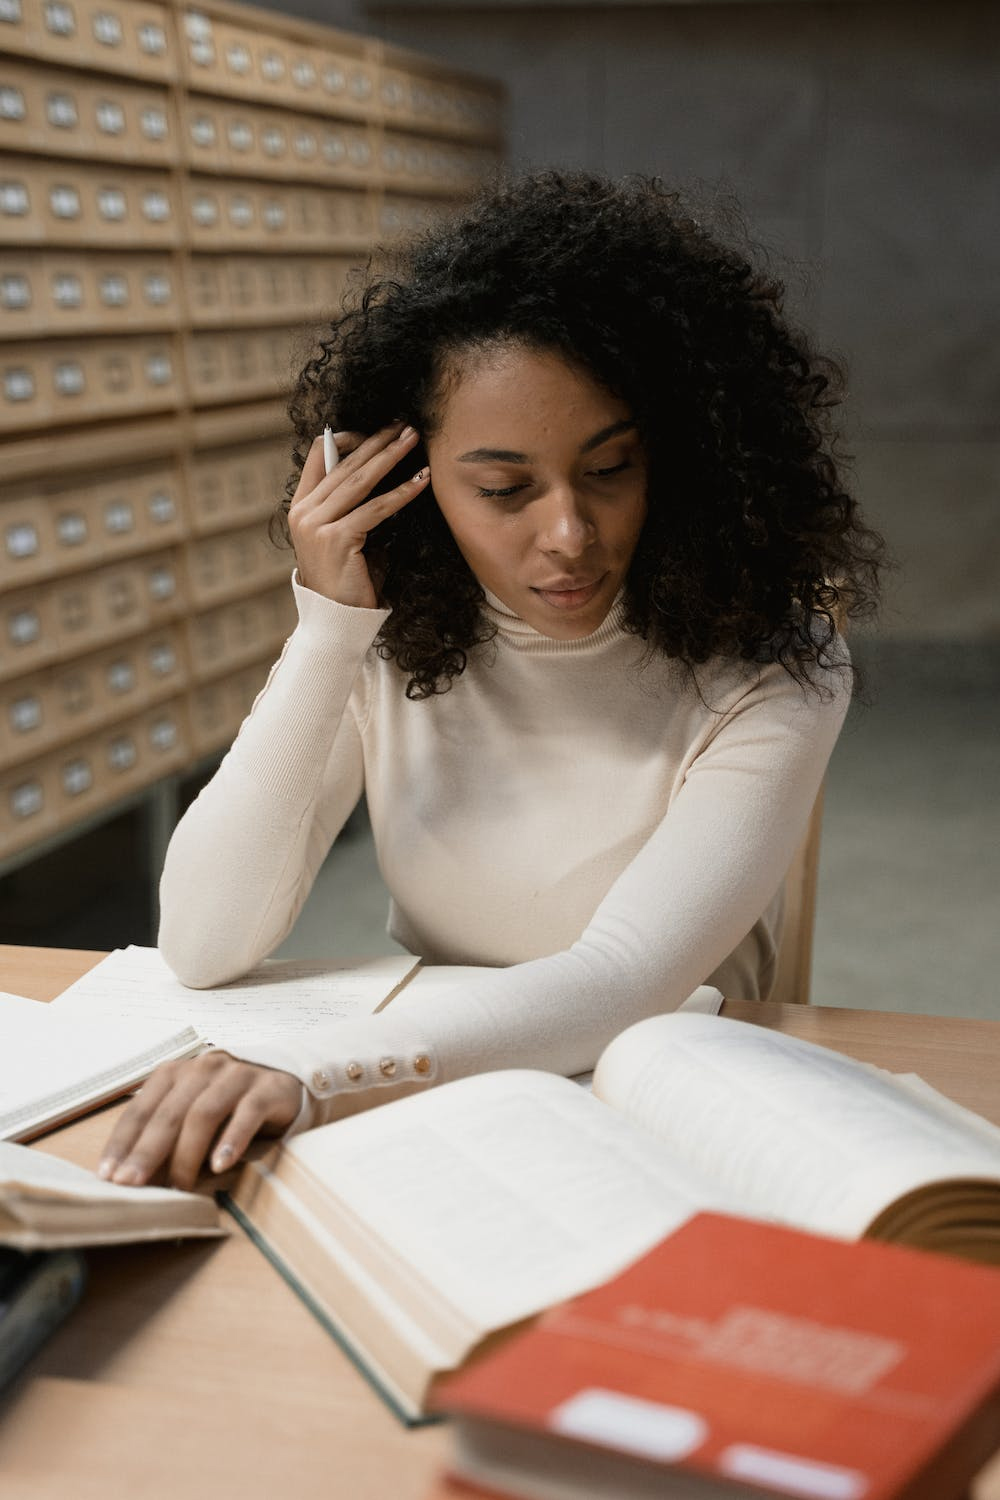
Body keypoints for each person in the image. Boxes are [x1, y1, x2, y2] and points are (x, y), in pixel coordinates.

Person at [98, 170, 883, 1191]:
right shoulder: (399, 638)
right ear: (408, 484)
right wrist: (329, 627)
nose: (568, 536)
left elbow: (622, 981)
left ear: (683, 458)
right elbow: (202, 944)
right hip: (436, 1100)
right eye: (504, 488)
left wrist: (315, 1071)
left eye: (609, 471)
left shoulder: (778, 664)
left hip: (661, 1106)